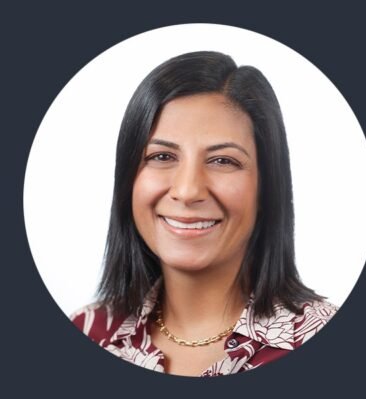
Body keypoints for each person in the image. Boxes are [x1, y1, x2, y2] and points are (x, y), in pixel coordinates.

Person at [71, 51, 338, 377]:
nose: (187, 190)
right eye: (162, 156)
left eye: (223, 161)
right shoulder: (89, 331)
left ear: (267, 187)